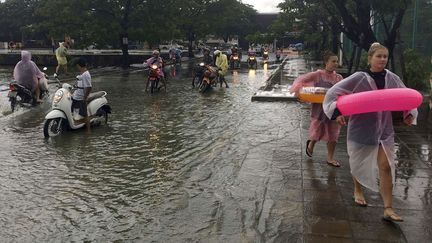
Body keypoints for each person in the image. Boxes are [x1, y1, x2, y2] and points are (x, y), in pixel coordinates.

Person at [323, 42, 418, 222]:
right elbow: (334, 93)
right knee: (359, 161)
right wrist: (337, 113)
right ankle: (358, 189)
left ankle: (388, 208)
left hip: (384, 130)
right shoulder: (359, 78)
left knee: (386, 166)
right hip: (362, 127)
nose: (382, 60)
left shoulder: (392, 78)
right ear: (370, 58)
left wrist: (409, 114)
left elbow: (405, 95)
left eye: (385, 57)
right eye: (379, 56)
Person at [289, 51, 343, 167]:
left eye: (337, 61)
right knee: (316, 132)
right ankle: (311, 143)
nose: (335, 64)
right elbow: (301, 80)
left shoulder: (339, 78)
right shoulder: (318, 75)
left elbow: (343, 91)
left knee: (333, 135)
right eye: (333, 61)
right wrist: (299, 92)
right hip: (319, 109)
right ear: (326, 62)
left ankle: (330, 158)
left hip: (333, 110)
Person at [72, 57, 92, 132]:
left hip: (81, 98)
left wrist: (85, 97)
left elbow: (89, 87)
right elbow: (78, 84)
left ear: (78, 65)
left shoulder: (86, 74)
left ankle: (88, 131)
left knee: (84, 114)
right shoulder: (82, 73)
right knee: (72, 110)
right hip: (75, 96)